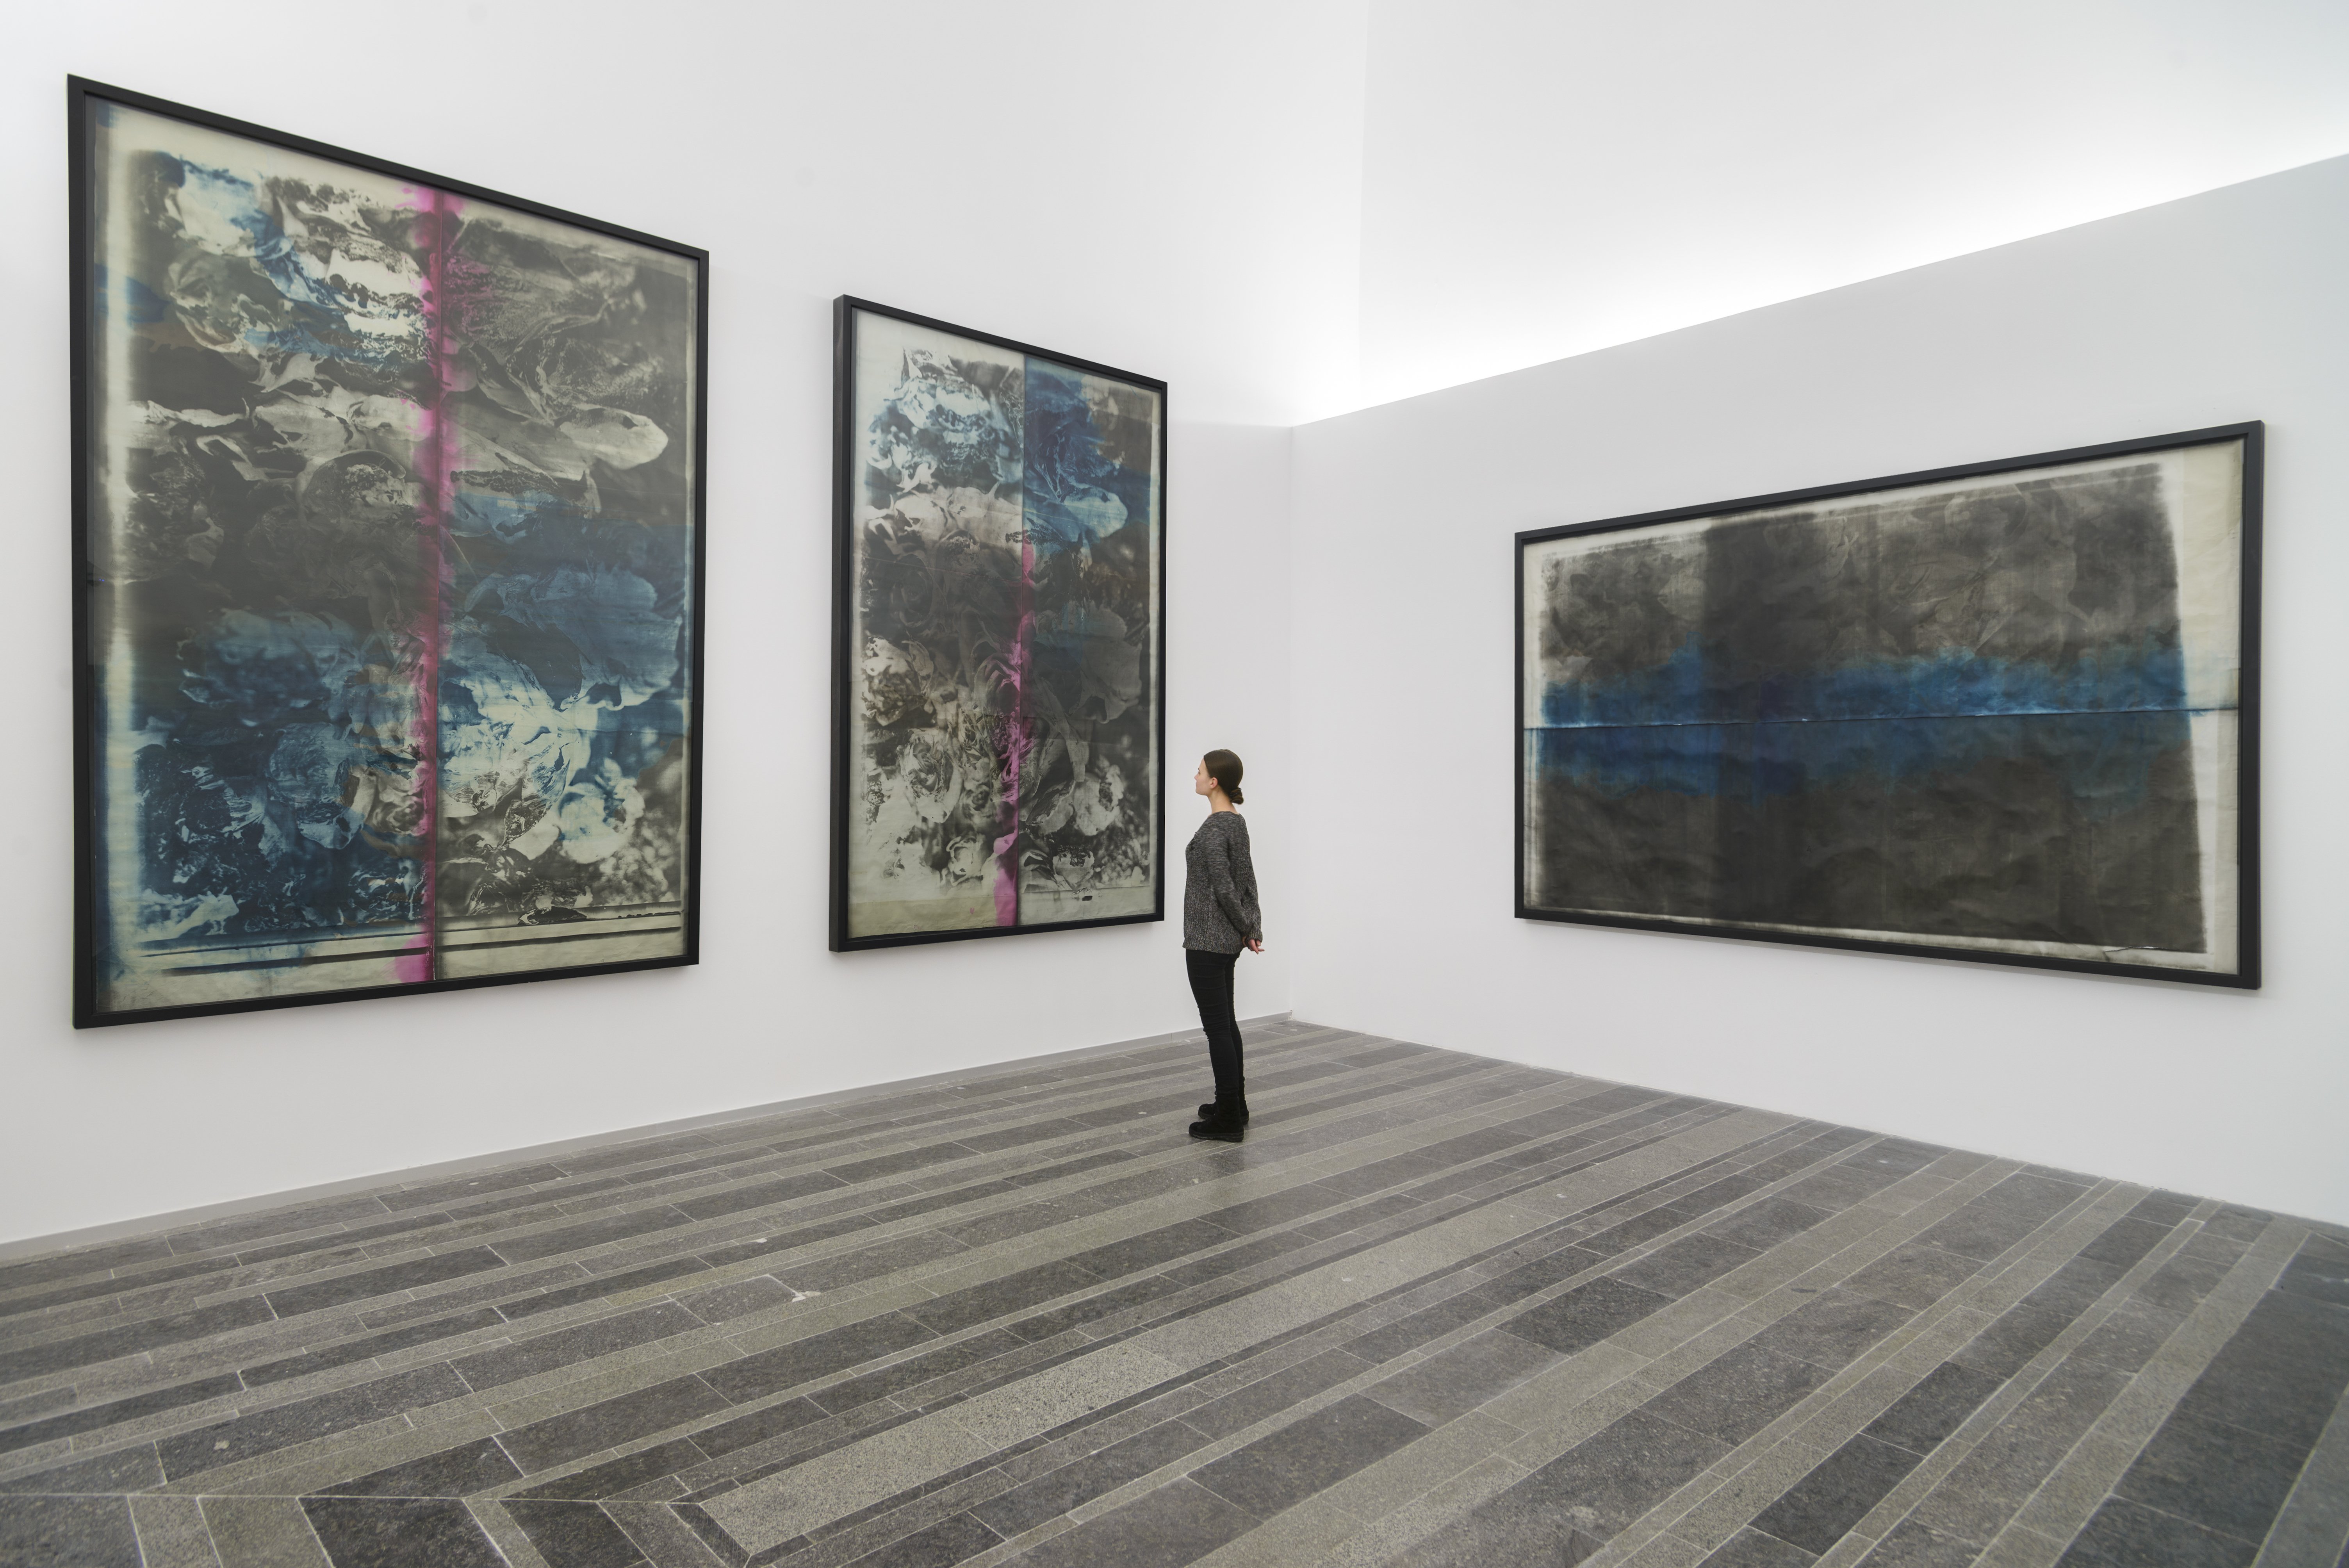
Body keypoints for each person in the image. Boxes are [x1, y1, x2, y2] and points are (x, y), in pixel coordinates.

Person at [1184, 748, 1262, 1142]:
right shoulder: (1237, 821)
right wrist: (1252, 928)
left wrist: (1246, 925)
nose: (1195, 776)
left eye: (1200, 772)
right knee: (1226, 1024)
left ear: (1214, 781)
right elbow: (1248, 880)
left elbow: (1226, 888)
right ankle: (1235, 1104)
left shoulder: (1215, 828)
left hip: (1207, 941)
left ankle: (1228, 1117)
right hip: (1226, 941)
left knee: (1217, 1029)